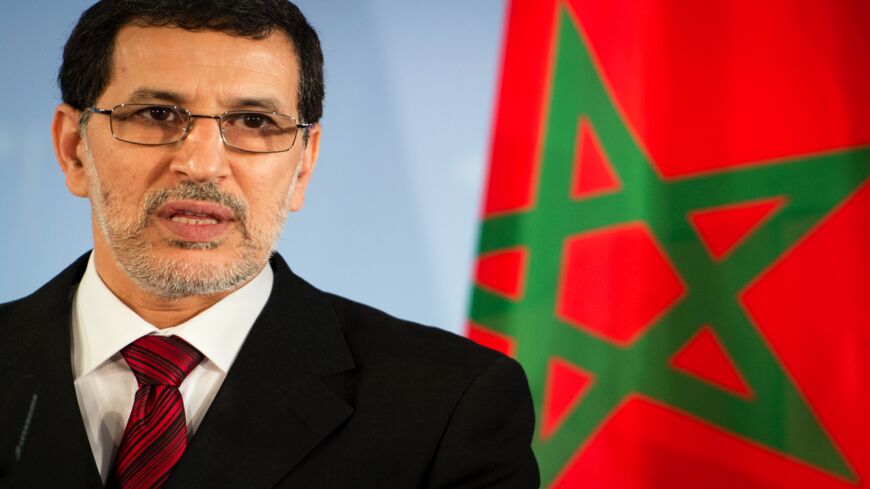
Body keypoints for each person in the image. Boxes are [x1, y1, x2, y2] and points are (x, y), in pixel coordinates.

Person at [0, 1, 539, 488]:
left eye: (254, 121)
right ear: (73, 150)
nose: (203, 165)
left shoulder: (449, 404)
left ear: (303, 164)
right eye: (157, 114)